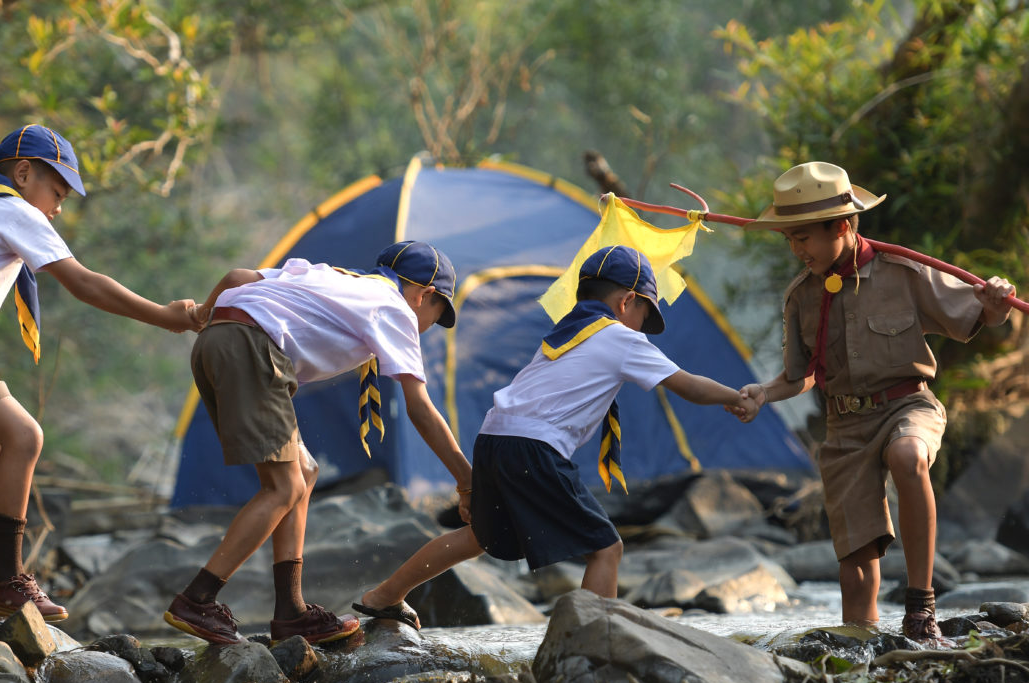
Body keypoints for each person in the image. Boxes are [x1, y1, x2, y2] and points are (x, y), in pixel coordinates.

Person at [0, 124, 198, 622]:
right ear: (24, 173)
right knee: (26, 437)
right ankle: (8, 581)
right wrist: (165, 315)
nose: (59, 206)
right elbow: (86, 284)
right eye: (57, 190)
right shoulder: (11, 207)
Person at [352, 245, 758, 629]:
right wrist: (736, 397)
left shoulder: (565, 334)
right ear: (626, 302)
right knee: (606, 548)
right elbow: (687, 385)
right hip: (534, 448)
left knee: (479, 537)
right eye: (644, 314)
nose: (642, 328)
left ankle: (385, 595)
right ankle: (593, 641)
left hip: (494, 437)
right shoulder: (621, 337)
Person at [734, 161, 1015, 643]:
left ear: (842, 225)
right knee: (855, 574)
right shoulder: (801, 296)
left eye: (804, 237)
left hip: (907, 407)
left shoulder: (905, 271)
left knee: (909, 456)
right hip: (844, 430)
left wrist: (995, 307)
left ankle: (920, 608)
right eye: (790, 240)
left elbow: (985, 322)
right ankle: (865, 651)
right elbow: (801, 377)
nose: (798, 250)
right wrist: (764, 393)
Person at [166, 240, 473, 646]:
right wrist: (468, 482)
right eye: (438, 314)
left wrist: (204, 313)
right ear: (424, 295)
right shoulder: (396, 308)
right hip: (253, 347)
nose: (431, 323)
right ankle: (197, 599)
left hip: (216, 341)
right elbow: (419, 408)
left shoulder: (333, 275)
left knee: (304, 472)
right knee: (284, 486)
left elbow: (237, 278)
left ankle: (290, 612)